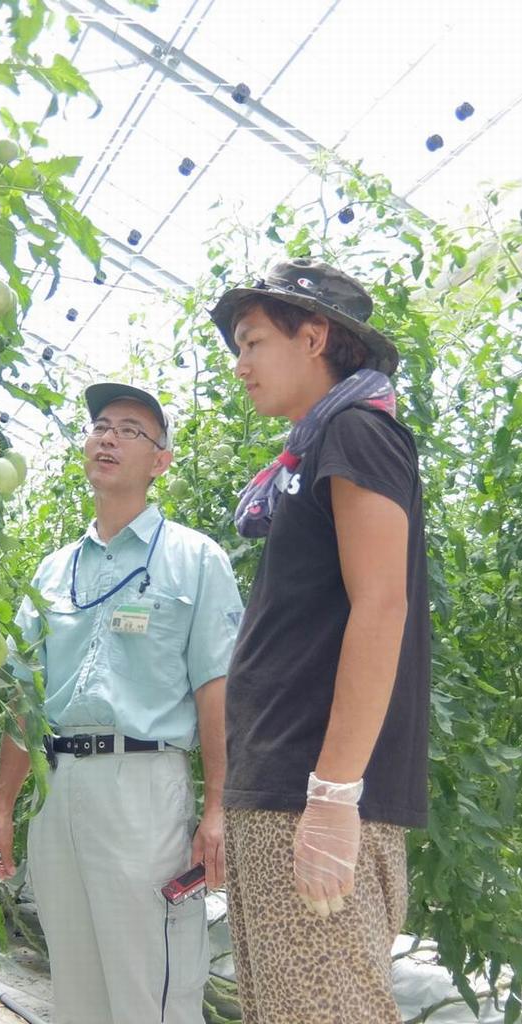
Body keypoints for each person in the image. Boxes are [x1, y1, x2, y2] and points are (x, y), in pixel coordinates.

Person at [0, 382, 244, 1024]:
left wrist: (217, 809)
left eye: (131, 429)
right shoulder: (52, 572)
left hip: (143, 789)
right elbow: (23, 699)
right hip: (58, 790)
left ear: (161, 461)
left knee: (150, 985)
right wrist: (1, 808)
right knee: (78, 987)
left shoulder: (194, 559)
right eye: (100, 425)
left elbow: (217, 690)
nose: (109, 437)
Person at [209, 258, 430, 1024]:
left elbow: (381, 606)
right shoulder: (312, 452)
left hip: (309, 793)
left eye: (251, 342)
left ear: (314, 336)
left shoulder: (356, 432)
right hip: (279, 793)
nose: (238, 367)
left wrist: (333, 798)